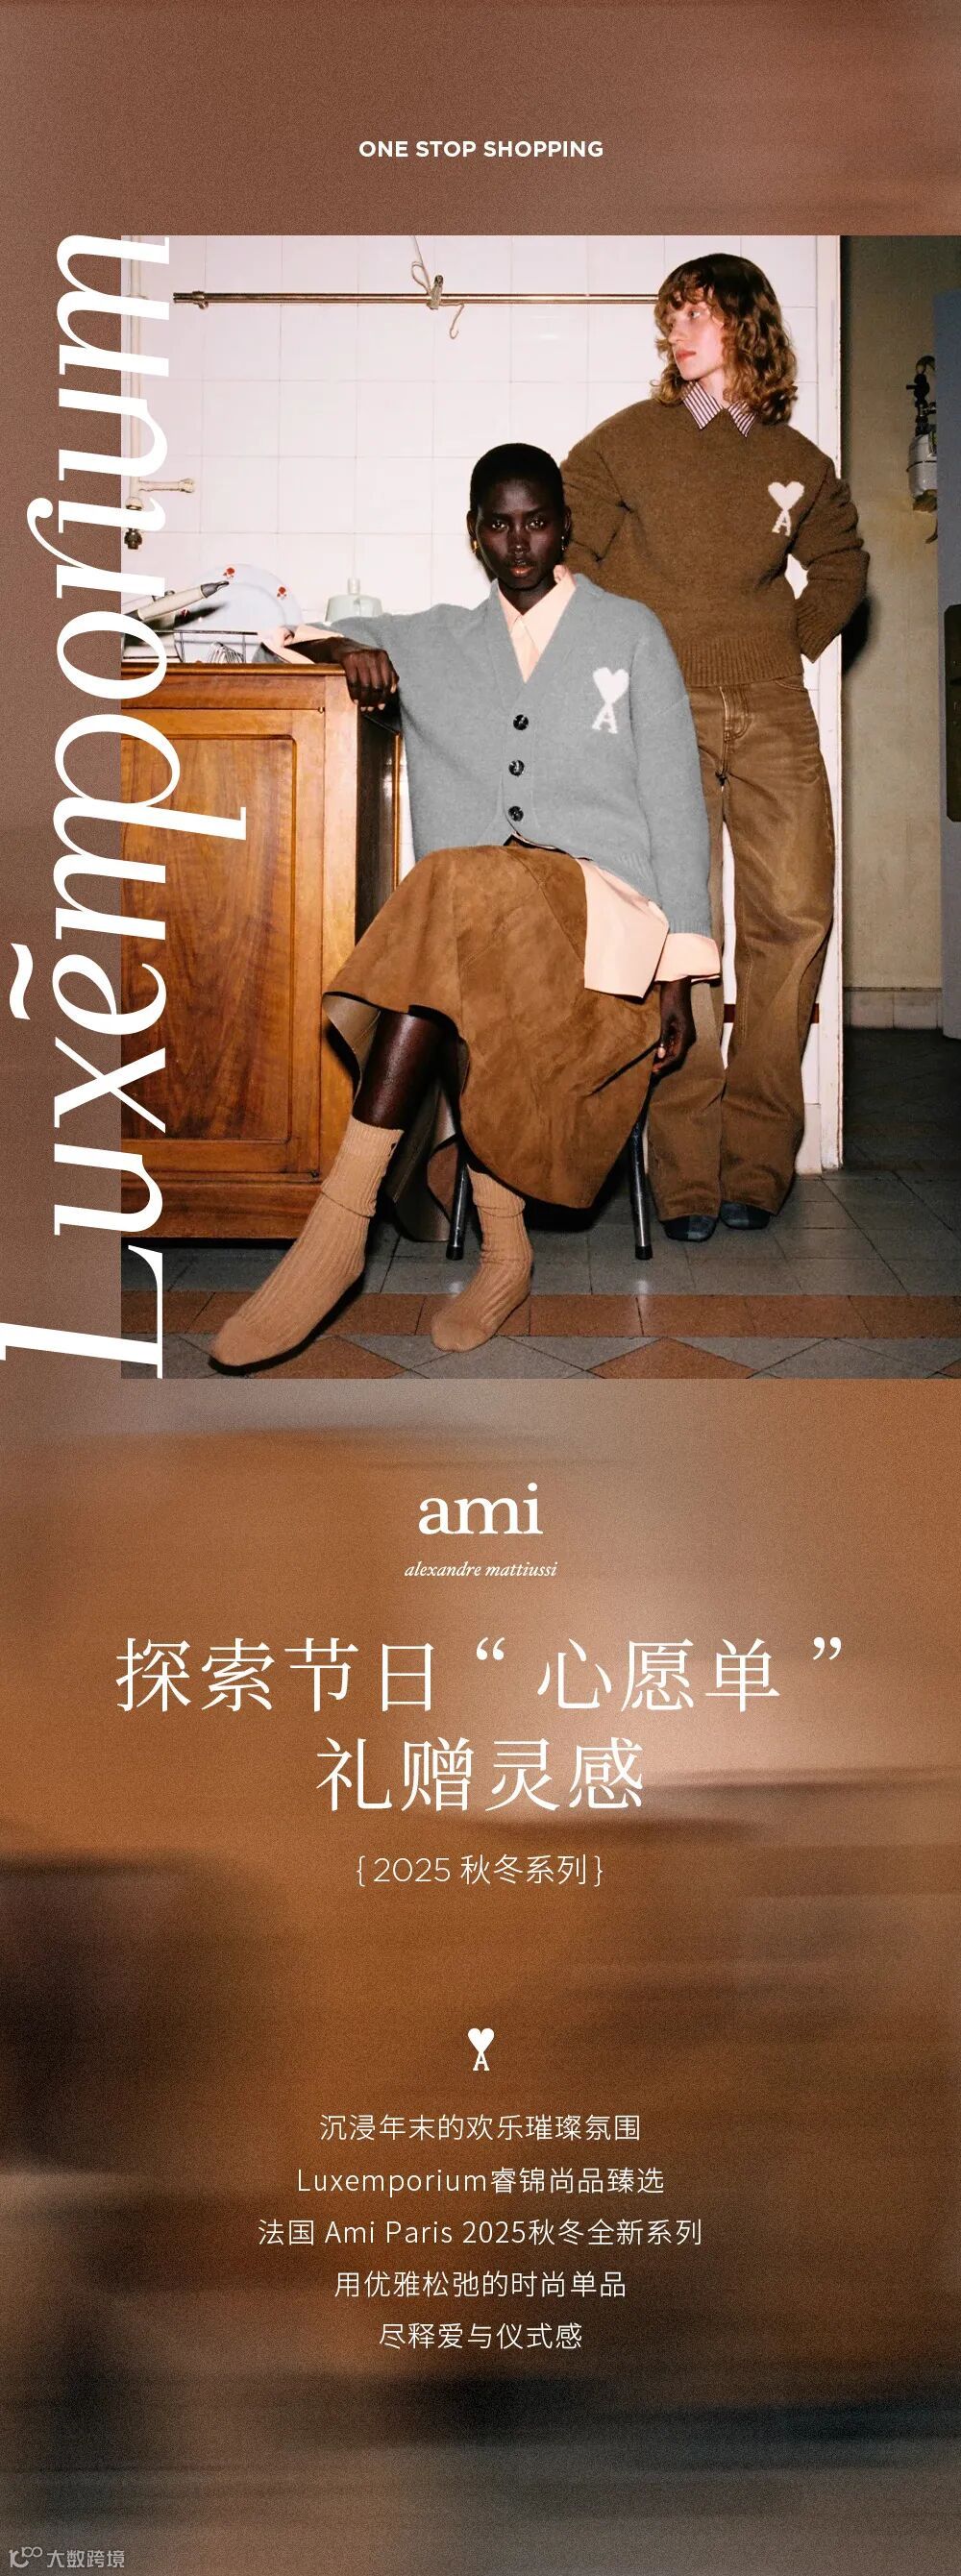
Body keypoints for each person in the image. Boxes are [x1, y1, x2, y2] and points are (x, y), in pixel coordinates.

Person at [211, 443, 718, 1372]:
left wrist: (680, 976)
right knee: (458, 920)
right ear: (474, 535)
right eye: (500, 525)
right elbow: (293, 634)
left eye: (537, 521)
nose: (520, 542)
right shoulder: (437, 638)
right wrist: (353, 650)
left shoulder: (629, 630)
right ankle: (505, 1250)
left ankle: (340, 1225)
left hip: (605, 918)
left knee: (448, 886)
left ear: (565, 526)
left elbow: (677, 802)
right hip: (482, 931)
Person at [561, 254, 867, 1240]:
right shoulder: (627, 442)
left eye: (696, 314)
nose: (677, 332)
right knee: (679, 930)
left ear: (747, 326)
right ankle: (686, 1173)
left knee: (795, 918)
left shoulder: (799, 459)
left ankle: (758, 1165)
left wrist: (793, 641)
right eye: (672, 317)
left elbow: (842, 562)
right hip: (662, 710)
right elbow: (563, 549)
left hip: (773, 706)